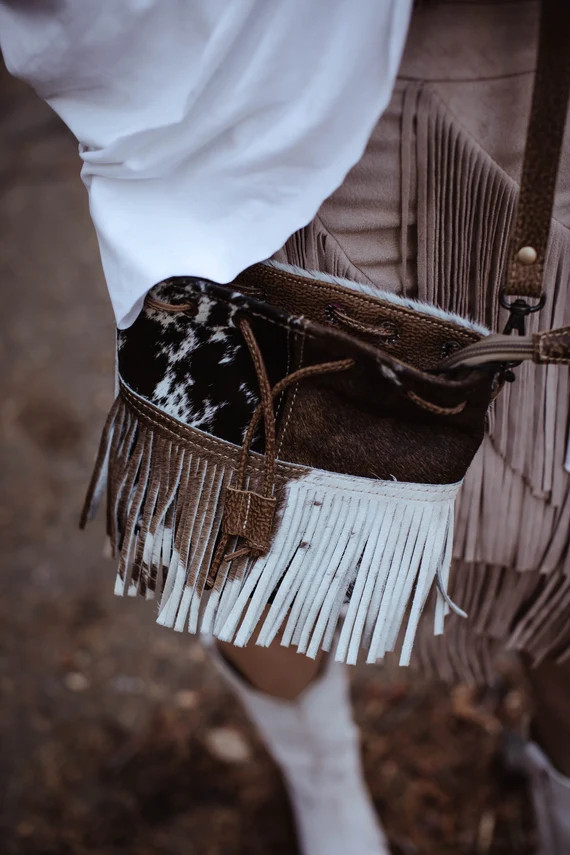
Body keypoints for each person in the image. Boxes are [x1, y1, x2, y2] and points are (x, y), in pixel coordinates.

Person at [1, 2, 568, 853]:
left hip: (542, 77)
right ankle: (324, 780)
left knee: (560, 524)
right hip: (268, 97)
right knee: (249, 543)